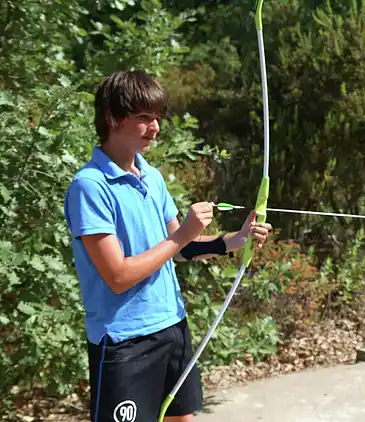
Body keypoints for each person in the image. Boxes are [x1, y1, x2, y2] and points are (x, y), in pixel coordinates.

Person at [64, 70, 273, 422]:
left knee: (183, 419)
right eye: (143, 118)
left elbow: (181, 248)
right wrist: (183, 234)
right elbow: (117, 275)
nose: (155, 128)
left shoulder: (153, 177)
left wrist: (238, 239)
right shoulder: (90, 186)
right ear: (112, 118)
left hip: (172, 325)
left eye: (157, 118)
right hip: (124, 341)